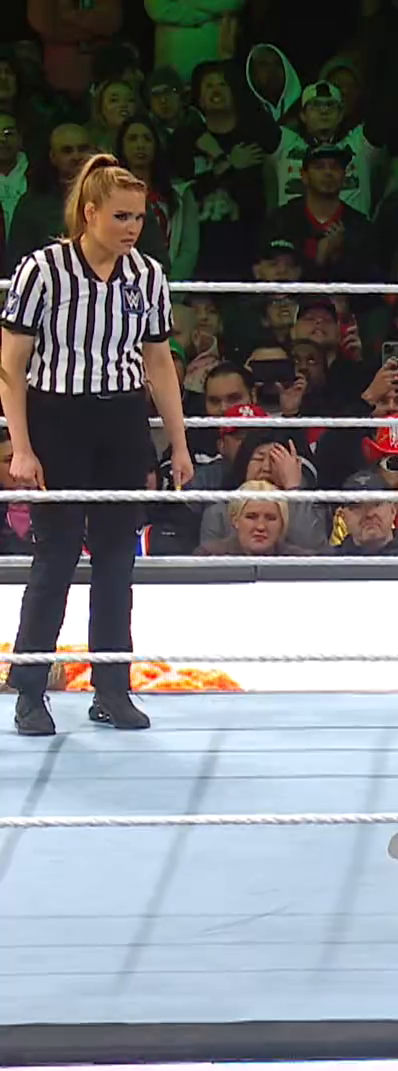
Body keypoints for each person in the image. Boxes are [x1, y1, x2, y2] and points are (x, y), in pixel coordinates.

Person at [0, 154, 192, 736]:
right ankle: (29, 692)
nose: (133, 227)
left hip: (122, 420)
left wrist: (178, 442)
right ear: (89, 214)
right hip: (57, 417)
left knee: (116, 558)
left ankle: (111, 689)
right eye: (121, 216)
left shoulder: (147, 275)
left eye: (139, 217)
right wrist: (21, 445)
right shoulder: (43, 270)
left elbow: (159, 363)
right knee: (56, 556)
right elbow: (10, 364)